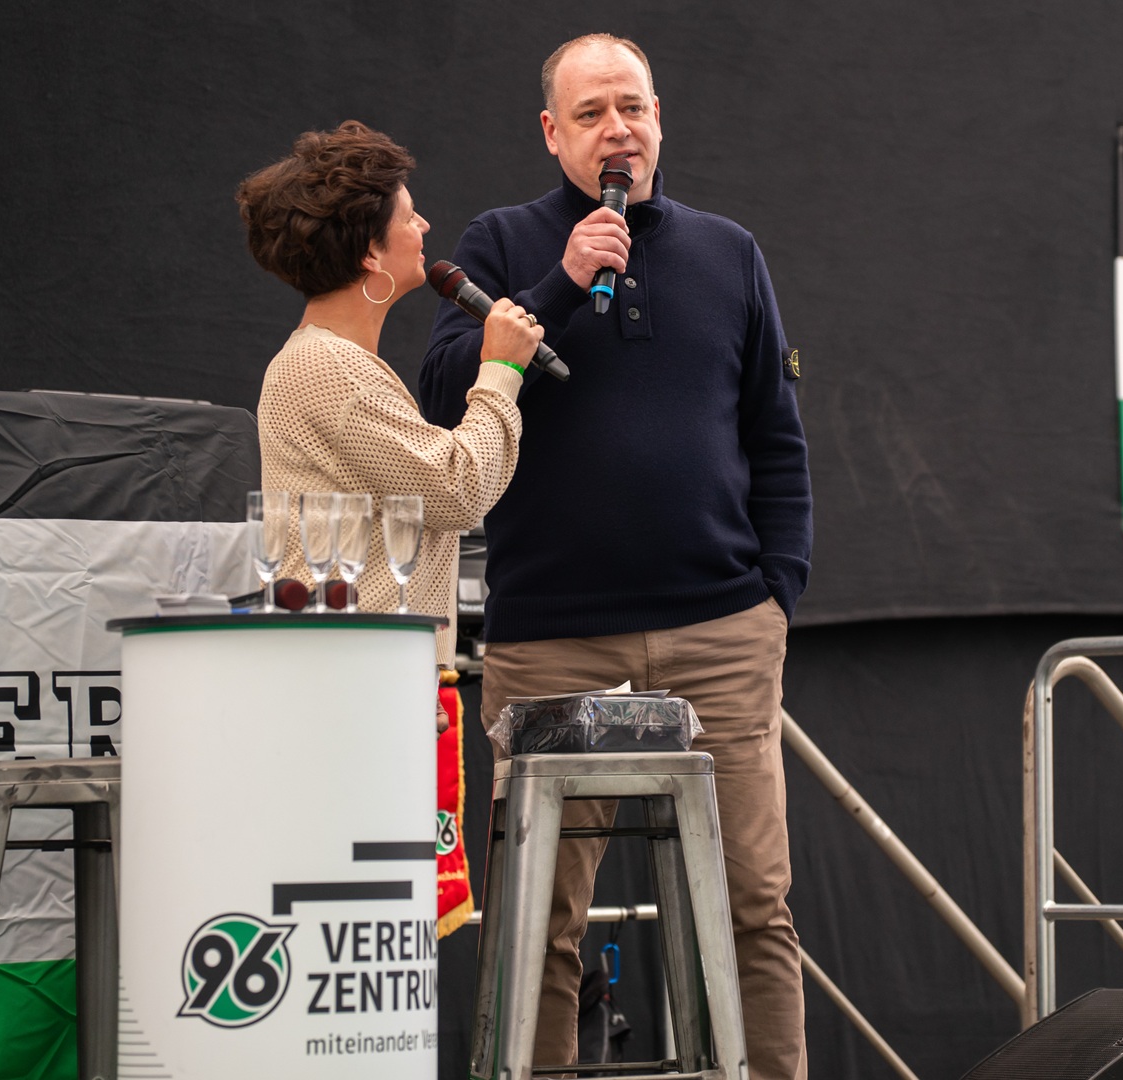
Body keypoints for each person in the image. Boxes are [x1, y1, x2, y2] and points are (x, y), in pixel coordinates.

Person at [419, 36, 811, 1078]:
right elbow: (445, 382)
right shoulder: (502, 244)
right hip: (554, 638)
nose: (616, 131)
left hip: (721, 628)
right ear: (553, 133)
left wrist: (778, 594)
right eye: (590, 113)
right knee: (539, 915)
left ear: (659, 119)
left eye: (631, 108)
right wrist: (561, 280)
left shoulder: (730, 253)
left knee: (754, 903)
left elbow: (774, 432)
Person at [240, 120, 544, 670]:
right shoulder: (328, 368)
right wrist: (501, 368)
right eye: (408, 217)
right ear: (370, 256)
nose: (424, 225)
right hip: (356, 679)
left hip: (367, 671)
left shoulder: (331, 361)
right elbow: (456, 491)